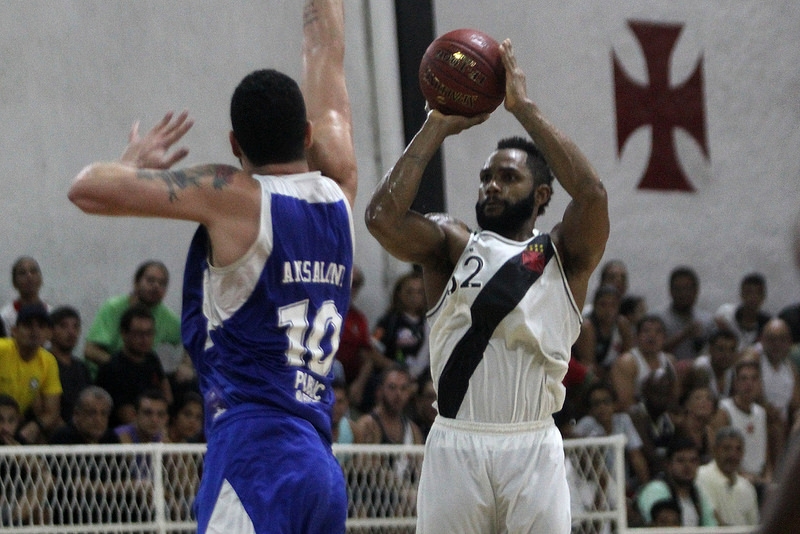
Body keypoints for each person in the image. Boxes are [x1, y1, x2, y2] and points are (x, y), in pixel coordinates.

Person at [68, 1, 357, 532]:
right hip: (320, 466)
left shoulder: (231, 195)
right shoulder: (340, 191)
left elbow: (87, 189)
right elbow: (326, 52)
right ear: (310, 134)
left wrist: (133, 162)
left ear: (234, 145)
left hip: (254, 460)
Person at [365, 36, 609, 533]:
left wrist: (523, 109)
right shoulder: (451, 243)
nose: (491, 185)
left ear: (541, 195)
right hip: (456, 443)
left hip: (533, 447)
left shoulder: (565, 253)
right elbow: (380, 219)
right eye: (485, 177)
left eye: (507, 177)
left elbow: (591, 193)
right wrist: (434, 126)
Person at [83, 260, 184, 379]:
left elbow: (197, 336)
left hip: (138, 379)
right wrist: (124, 368)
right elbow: (90, 350)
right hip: (104, 378)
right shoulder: (113, 308)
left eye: (162, 283)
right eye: (150, 281)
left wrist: (186, 364)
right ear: (136, 282)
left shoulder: (166, 317)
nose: (156, 286)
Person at [359, 270, 429, 414]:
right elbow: (372, 350)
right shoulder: (389, 321)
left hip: (420, 380)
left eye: (420, 292)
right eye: (410, 291)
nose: (415, 296)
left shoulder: (428, 323)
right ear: (399, 294)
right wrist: (394, 368)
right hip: (392, 376)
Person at [95, 305, 172, 427]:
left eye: (149, 333)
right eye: (138, 333)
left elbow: (167, 396)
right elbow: (127, 417)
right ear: (124, 334)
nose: (145, 339)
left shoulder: (152, 358)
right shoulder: (112, 369)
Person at [0, 303, 61, 443]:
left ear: (49, 334)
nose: (35, 331)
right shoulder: (2, 349)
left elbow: (52, 412)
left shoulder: (48, 361)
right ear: (14, 331)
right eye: (28, 325)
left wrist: (35, 426)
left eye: (41, 326)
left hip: (12, 425)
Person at [573, 381, 649, 493]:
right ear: (590, 409)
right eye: (596, 404)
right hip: (595, 487)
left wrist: (646, 488)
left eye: (606, 402)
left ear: (614, 404)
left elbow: (636, 456)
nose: (602, 407)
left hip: (624, 485)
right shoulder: (586, 424)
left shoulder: (623, 420)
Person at [710, 360, 772, 490]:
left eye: (754, 379)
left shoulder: (761, 412)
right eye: (743, 379)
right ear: (735, 383)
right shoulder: (724, 411)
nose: (749, 383)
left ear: (760, 383)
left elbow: (765, 452)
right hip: (735, 478)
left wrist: (768, 476)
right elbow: (716, 451)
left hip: (759, 479)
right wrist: (741, 475)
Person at [635, 436, 717, 527]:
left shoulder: (698, 493)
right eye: (681, 461)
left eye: (693, 461)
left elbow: (711, 527)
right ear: (668, 464)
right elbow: (657, 528)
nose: (687, 466)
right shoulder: (655, 489)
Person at [610, 315, 678, 411]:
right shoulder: (627, 362)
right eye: (646, 331)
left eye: (658, 332)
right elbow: (625, 404)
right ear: (636, 337)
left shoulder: (670, 361)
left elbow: (674, 397)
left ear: (664, 338)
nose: (652, 335)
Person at [696, 426, 760, 526]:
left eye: (738, 449)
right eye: (727, 448)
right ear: (715, 450)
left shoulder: (747, 487)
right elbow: (712, 519)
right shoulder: (702, 475)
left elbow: (753, 525)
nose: (733, 455)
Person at [572, 284, 633, 380]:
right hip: (584, 375)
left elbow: (629, 354)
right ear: (595, 306)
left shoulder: (622, 324)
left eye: (613, 305)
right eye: (603, 305)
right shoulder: (588, 327)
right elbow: (587, 363)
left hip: (611, 371)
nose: (608, 310)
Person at [657, 266, 716, 361]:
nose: (683, 294)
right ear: (670, 291)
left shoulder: (707, 320)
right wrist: (684, 335)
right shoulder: (658, 319)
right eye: (678, 289)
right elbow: (653, 351)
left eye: (688, 289)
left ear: (696, 291)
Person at [355, 364, 423, 446]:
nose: (398, 394)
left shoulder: (413, 431)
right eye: (392, 387)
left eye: (403, 388)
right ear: (379, 391)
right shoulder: (366, 425)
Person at [48, 306, 91, 423]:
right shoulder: (44, 363)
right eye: (63, 326)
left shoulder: (82, 367)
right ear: (50, 331)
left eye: (76, 327)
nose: (71, 332)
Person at [714, 272, 771, 351]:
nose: (753, 297)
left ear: (763, 297)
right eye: (749, 292)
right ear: (741, 294)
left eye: (758, 293)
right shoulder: (726, 314)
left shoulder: (768, 325)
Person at [0, 256, 51, 336]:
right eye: (22, 273)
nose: (29, 276)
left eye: (33, 271)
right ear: (14, 282)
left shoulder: (51, 313)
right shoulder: (5, 317)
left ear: (41, 279)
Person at [691, 328, 739, 400]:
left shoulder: (733, 369)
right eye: (721, 349)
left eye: (732, 350)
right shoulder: (701, 367)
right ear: (710, 349)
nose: (727, 355)